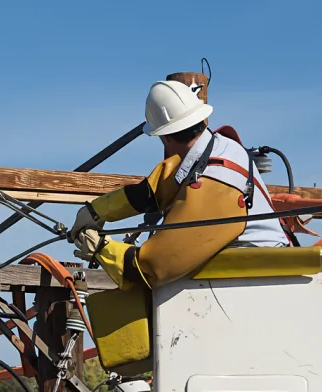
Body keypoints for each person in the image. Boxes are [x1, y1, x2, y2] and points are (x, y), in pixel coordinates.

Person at [68, 80, 290, 290]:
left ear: (164, 137)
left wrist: (100, 248)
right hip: (250, 277)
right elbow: (150, 192)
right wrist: (97, 211)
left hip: (258, 282)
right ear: (202, 119)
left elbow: (153, 268)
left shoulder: (216, 183)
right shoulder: (220, 148)